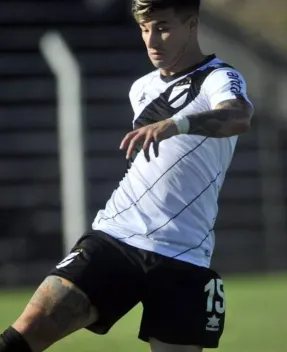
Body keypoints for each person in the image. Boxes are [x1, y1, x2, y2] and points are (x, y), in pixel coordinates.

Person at [0, 1, 254, 351]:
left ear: (191, 24)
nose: (152, 39)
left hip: (184, 255)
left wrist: (176, 124)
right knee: (26, 331)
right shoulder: (142, 88)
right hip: (115, 237)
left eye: (163, 26)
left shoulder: (219, 77)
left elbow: (238, 117)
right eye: (144, 28)